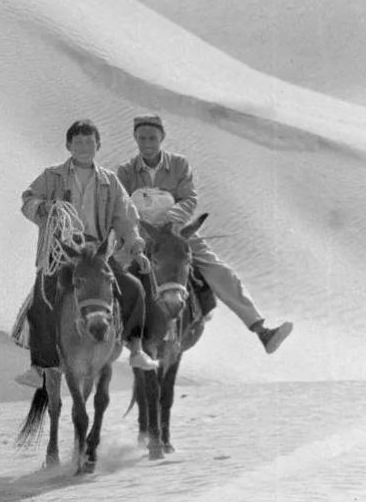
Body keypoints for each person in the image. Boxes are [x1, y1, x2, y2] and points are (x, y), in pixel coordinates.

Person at [117, 113, 293, 354]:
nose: (147, 143)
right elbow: (122, 204)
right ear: (135, 138)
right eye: (142, 138)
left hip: (178, 233)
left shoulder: (179, 165)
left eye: (152, 138)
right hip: (142, 234)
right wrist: (141, 223)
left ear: (162, 138)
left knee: (217, 270)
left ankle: (261, 330)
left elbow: (189, 198)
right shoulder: (126, 171)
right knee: (110, 269)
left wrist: (172, 217)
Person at [17, 119, 157, 386]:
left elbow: (126, 218)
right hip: (62, 250)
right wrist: (44, 208)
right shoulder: (52, 176)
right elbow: (28, 200)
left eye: (89, 142)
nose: (84, 147)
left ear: (98, 145)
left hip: (97, 253)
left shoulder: (110, 181)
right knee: (41, 301)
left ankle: (137, 350)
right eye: (78, 142)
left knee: (134, 289)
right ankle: (40, 367)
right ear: (68, 146)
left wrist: (137, 247)